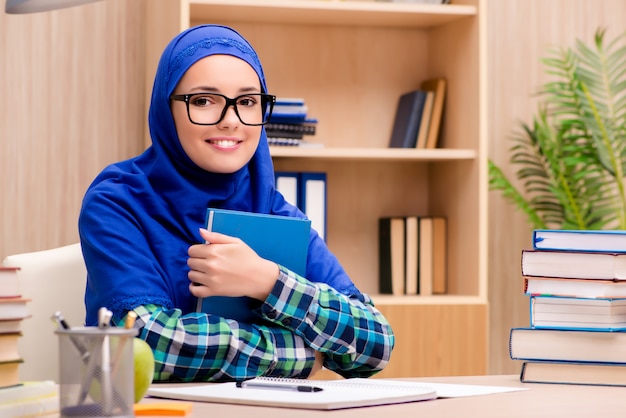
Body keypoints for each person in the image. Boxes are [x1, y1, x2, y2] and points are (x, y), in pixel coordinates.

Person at [79, 24, 394, 382]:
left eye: (247, 102)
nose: (230, 121)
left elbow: (375, 344)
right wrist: (303, 354)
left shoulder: (272, 209)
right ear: (166, 109)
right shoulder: (118, 201)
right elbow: (151, 345)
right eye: (203, 101)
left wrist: (267, 281)